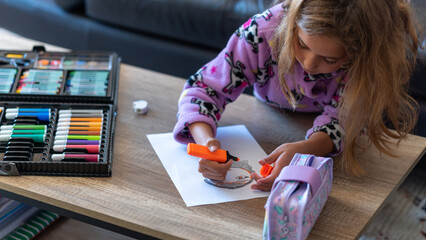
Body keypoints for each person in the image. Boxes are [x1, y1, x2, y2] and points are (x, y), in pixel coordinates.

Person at [173, 0, 422, 191]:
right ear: (293, 23)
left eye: (330, 59)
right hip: (268, 113)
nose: (309, 64)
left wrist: (310, 147)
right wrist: (206, 143)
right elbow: (205, 88)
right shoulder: (262, 32)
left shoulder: (369, 62)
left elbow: (347, 120)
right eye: (301, 45)